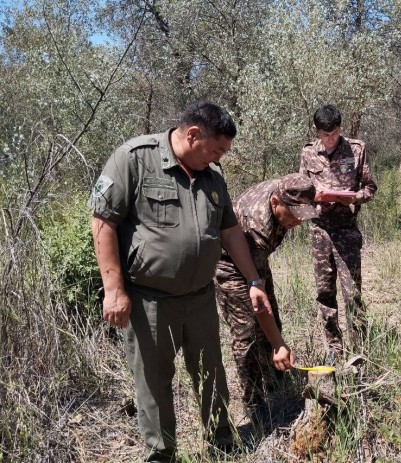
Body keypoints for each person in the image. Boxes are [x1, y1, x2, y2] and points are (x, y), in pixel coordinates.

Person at [89, 101, 271, 462]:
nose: (219, 158)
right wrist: (113, 290)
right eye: (216, 149)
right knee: (154, 383)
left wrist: (253, 280)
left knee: (212, 375)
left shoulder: (212, 177)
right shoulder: (134, 159)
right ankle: (161, 453)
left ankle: (221, 440)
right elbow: (102, 222)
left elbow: (231, 231)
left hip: (201, 298)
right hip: (149, 301)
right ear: (192, 135)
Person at [215, 173, 319, 425]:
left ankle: (276, 383)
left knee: (273, 325)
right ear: (275, 203)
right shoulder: (258, 226)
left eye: (302, 215)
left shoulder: (290, 189)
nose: (297, 222)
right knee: (248, 333)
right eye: (293, 215)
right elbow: (258, 303)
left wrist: (275, 338)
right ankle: (254, 403)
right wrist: (278, 343)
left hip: (254, 261)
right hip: (228, 263)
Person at [299, 104, 377, 362]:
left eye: (334, 133)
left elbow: (370, 188)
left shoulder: (356, 149)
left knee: (352, 291)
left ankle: (360, 347)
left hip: (346, 230)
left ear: (340, 128)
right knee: (324, 292)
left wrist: (355, 198)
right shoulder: (308, 153)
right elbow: (301, 192)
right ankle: (334, 346)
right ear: (316, 130)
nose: (330, 139)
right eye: (325, 134)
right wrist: (314, 197)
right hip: (319, 230)